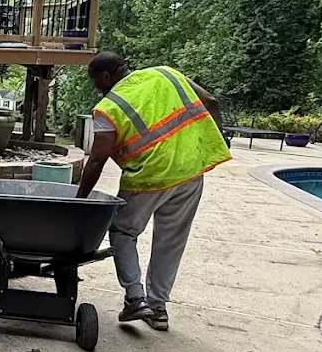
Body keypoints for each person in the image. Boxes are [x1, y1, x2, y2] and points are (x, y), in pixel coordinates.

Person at [75, 52, 231, 331]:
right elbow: (211, 102)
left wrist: (77, 201)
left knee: (123, 231)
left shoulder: (109, 107)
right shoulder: (165, 73)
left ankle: (135, 298)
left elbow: (97, 159)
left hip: (148, 177)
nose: (94, 86)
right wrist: (214, 140)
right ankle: (158, 309)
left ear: (106, 77)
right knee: (170, 240)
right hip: (189, 171)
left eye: (94, 80)